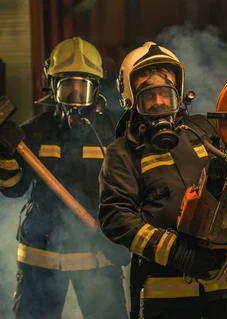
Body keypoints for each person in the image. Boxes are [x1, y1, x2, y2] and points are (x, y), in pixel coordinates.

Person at [98, 41, 227, 319]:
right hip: (169, 299)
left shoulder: (207, 131)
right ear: (131, 100)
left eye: (167, 94)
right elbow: (115, 217)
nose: (160, 103)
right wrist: (175, 253)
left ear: (180, 95)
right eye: (150, 97)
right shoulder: (123, 152)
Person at [0, 37, 128, 318]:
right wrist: (4, 154)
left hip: (98, 256)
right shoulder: (34, 132)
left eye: (81, 87)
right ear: (52, 87)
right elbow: (12, 189)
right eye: (66, 85)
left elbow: (128, 193)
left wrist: (121, 236)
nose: (73, 95)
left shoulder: (112, 133)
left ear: (96, 89)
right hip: (40, 259)